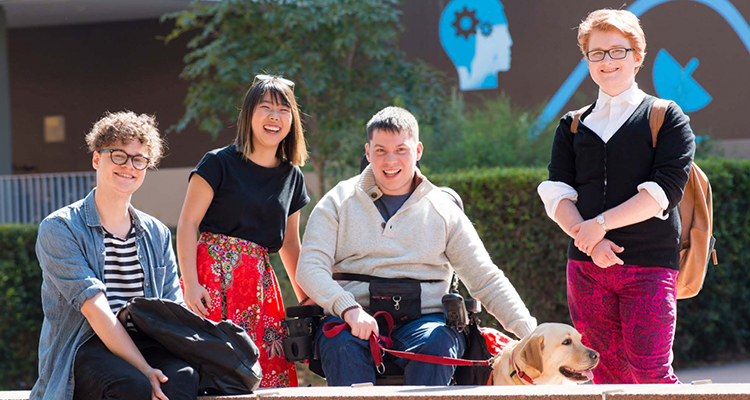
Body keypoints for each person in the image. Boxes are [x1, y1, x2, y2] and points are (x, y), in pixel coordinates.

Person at [296, 106, 537, 386]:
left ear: (418, 150)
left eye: (401, 150)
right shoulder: (337, 201)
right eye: (380, 150)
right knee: (339, 343)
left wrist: (531, 333)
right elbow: (310, 268)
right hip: (354, 320)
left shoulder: (443, 209)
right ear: (367, 151)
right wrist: (349, 310)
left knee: (438, 341)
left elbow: (485, 278)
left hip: (426, 324)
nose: (390, 161)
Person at [537, 9, 695, 384]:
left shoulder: (667, 117)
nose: (607, 61)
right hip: (586, 270)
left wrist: (599, 226)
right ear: (587, 59)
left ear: (637, 57)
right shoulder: (573, 125)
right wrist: (588, 240)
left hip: (649, 266)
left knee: (651, 373)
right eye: (597, 53)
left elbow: (664, 193)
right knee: (603, 376)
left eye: (617, 51)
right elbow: (557, 190)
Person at [31, 112, 198, 400]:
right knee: (132, 385)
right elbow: (97, 312)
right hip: (85, 346)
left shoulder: (156, 233)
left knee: (183, 379)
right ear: (97, 159)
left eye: (138, 159)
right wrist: (145, 369)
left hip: (148, 341)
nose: (128, 166)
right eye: (118, 155)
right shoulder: (60, 228)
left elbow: (172, 308)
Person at [176, 75, 310, 388]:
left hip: (261, 291)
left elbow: (291, 244)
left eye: (283, 110)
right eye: (265, 107)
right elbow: (187, 224)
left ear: (293, 120)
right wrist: (191, 285)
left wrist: (307, 301)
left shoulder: (293, 177)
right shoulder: (218, 163)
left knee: (264, 377)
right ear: (248, 115)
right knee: (213, 377)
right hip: (211, 284)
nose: (274, 116)